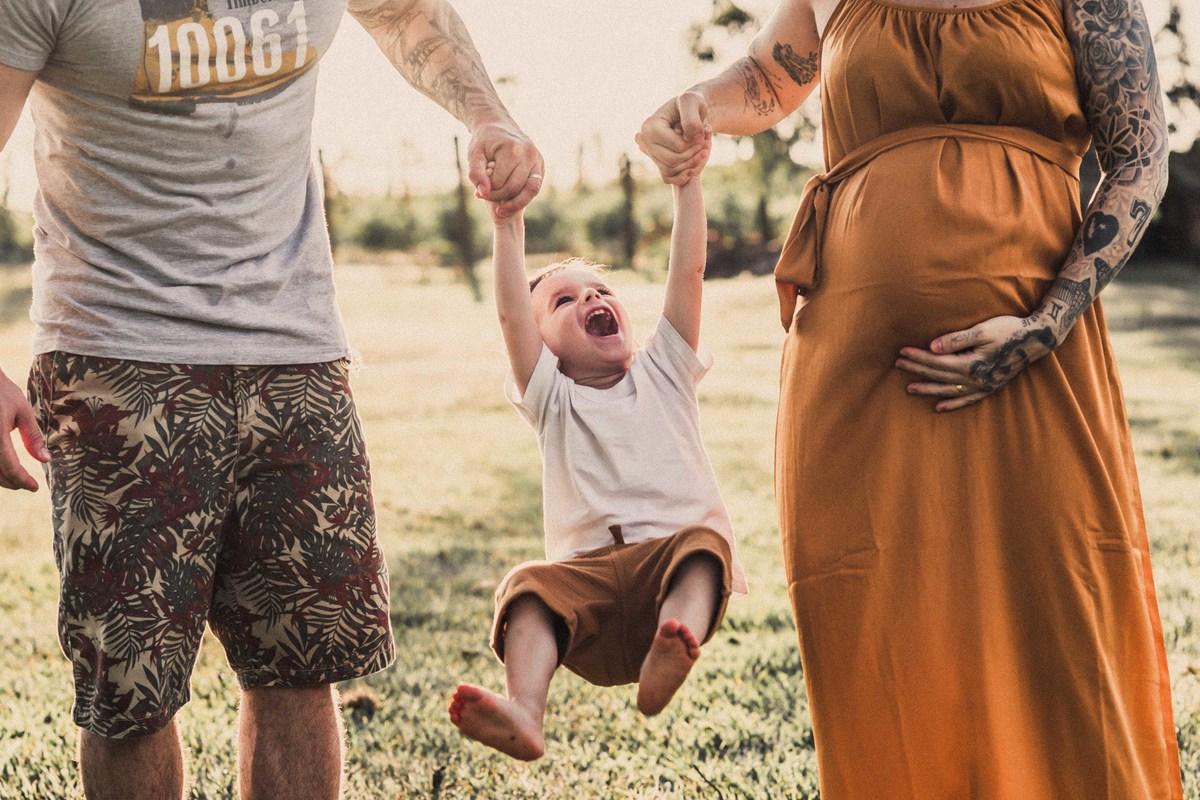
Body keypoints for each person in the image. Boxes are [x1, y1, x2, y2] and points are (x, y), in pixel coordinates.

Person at [638, 0, 1182, 797]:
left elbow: (1138, 157)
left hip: (1037, 360)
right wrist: (696, 107)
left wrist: (1047, 322)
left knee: (1061, 623)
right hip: (857, 374)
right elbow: (770, 75)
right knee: (886, 639)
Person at [0, 1, 542, 797]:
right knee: (131, 694)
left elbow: (406, 12)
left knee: (302, 667)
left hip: (299, 358)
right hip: (117, 361)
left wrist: (488, 114)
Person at [447, 147, 747, 761]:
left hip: (666, 575)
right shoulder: (552, 397)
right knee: (525, 588)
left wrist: (687, 185)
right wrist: (507, 222)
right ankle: (525, 709)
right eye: (563, 302)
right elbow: (510, 313)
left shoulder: (666, 370)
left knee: (704, 548)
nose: (588, 299)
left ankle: (675, 642)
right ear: (543, 348)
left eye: (600, 290)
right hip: (588, 601)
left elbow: (688, 270)